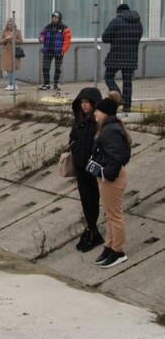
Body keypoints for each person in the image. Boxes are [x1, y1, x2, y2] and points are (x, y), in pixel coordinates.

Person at [91, 91, 132, 268]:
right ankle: (109, 246)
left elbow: (119, 156)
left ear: (105, 112)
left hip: (112, 178)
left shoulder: (110, 130)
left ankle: (118, 251)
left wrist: (108, 174)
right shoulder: (110, 128)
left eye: (98, 111)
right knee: (109, 214)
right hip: (108, 176)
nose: (95, 113)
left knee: (115, 216)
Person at [69, 87, 104, 252]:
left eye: (87, 102)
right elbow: (72, 137)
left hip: (93, 167)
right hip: (80, 166)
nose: (84, 105)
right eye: (82, 102)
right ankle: (91, 228)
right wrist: (74, 148)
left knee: (93, 197)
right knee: (85, 198)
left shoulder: (98, 121)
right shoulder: (79, 119)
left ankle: (93, 229)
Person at [102, 3, 143, 112]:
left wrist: (115, 40)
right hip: (131, 57)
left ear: (118, 12)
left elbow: (105, 37)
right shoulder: (138, 23)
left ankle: (118, 97)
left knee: (108, 76)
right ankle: (127, 106)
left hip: (116, 56)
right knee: (128, 81)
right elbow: (138, 38)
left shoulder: (116, 21)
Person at [38, 11, 71, 90]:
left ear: (59, 18)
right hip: (48, 50)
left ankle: (56, 84)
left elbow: (67, 41)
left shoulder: (64, 28)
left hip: (58, 51)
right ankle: (46, 84)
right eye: (53, 17)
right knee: (45, 68)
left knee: (57, 68)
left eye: (56, 17)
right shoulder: (48, 27)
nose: (54, 18)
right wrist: (41, 38)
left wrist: (63, 50)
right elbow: (42, 34)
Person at [0, 18, 23, 90]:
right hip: (6, 52)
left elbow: (21, 41)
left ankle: (13, 84)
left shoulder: (17, 31)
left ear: (14, 24)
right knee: (8, 69)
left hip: (14, 52)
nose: (10, 26)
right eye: (9, 24)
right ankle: (11, 84)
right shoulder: (4, 32)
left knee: (12, 69)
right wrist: (6, 38)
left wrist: (13, 38)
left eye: (11, 24)